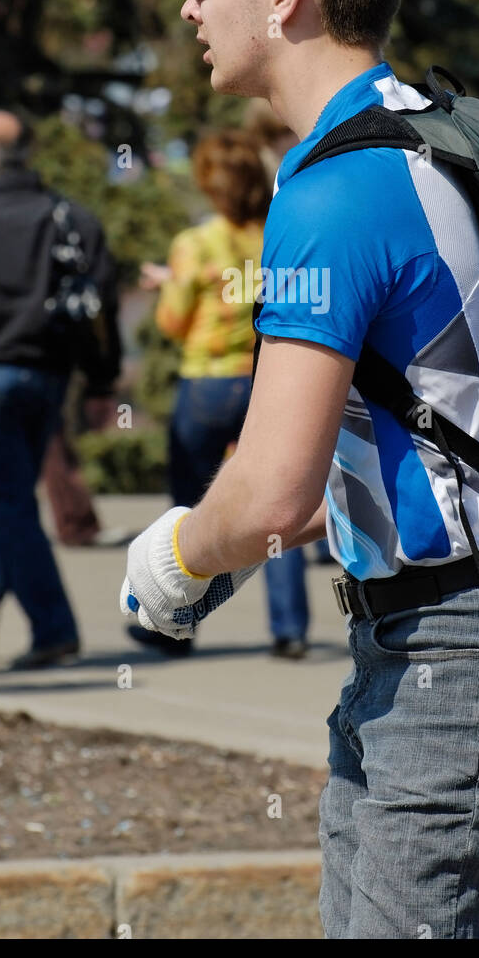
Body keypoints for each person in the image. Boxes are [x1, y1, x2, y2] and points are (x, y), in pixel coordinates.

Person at [119, 0, 479, 939]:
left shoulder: (335, 191)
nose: (190, 9)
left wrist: (173, 561)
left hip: (462, 659)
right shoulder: (424, 134)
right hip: (461, 644)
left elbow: (274, 493)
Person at [0, 111, 121, 669]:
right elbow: (103, 305)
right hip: (50, 379)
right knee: (8, 503)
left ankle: (54, 631)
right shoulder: (68, 216)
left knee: (7, 504)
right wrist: (102, 381)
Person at [138, 130, 309, 657]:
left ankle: (175, 623)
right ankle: (290, 628)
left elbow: (172, 322)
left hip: (206, 383)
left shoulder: (196, 244)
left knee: (190, 506)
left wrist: (170, 285)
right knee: (278, 505)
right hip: (263, 382)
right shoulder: (278, 232)